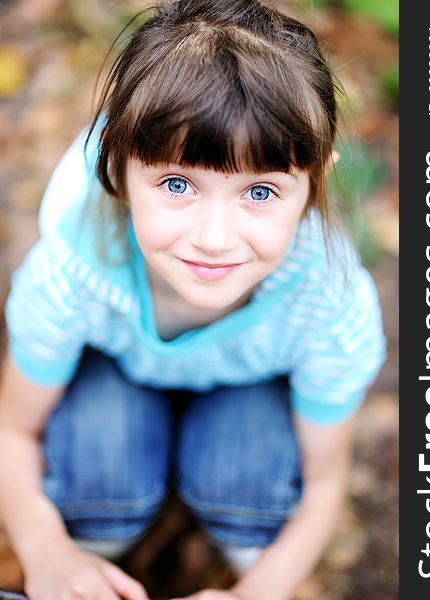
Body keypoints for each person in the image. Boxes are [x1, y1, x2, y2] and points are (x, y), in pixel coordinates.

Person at [0, 1, 387, 599]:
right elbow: (13, 430)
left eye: (260, 190)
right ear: (120, 168)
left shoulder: (326, 303)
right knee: (104, 473)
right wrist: (45, 551)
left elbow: (325, 479)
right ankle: (96, 550)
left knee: (245, 481)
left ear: (314, 179)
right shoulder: (74, 272)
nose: (213, 238)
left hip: (247, 392)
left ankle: (235, 545)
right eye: (177, 184)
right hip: (115, 380)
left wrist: (258, 592)